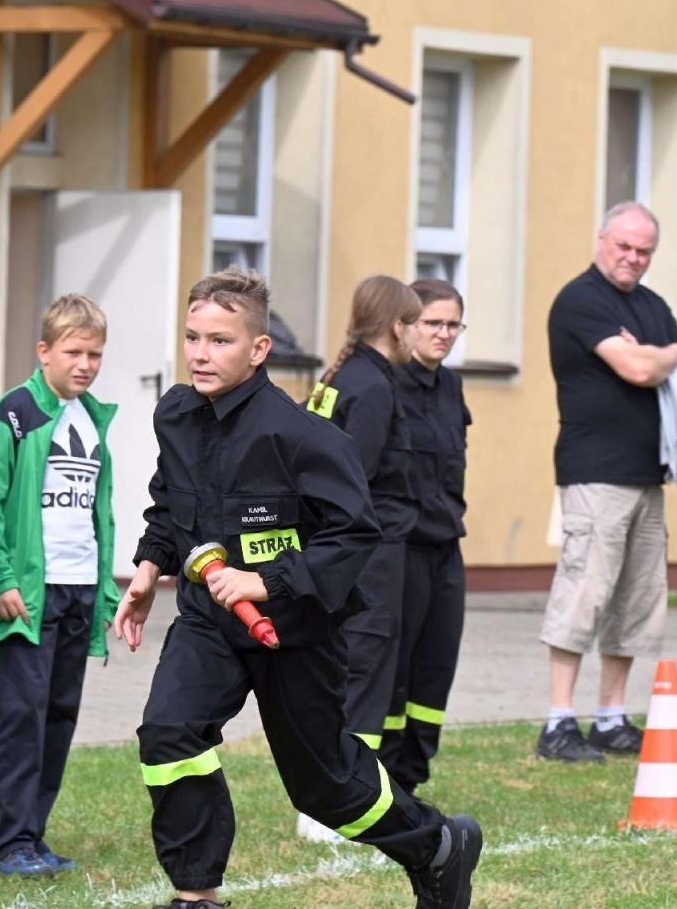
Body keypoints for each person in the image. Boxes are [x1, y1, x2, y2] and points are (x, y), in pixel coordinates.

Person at [114, 268, 482, 909]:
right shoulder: (175, 414)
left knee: (327, 790)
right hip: (208, 620)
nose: (201, 354)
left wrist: (267, 579)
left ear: (258, 351)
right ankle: (197, 892)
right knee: (168, 733)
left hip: (295, 630)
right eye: (193, 338)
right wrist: (150, 567)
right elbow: (170, 503)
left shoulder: (303, 435)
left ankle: (437, 848)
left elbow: (354, 533)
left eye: (220, 341)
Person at [539, 202, 677, 763]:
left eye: (643, 251)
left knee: (637, 599)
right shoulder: (581, 299)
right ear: (602, 239)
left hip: (647, 475)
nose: (632, 258)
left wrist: (664, 353)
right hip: (594, 473)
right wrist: (668, 355)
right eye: (624, 246)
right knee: (585, 591)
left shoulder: (651, 306)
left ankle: (611, 716)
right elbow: (637, 369)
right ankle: (559, 721)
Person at [0, 294, 120, 876]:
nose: (84, 364)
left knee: (59, 715)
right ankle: (8, 844)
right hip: (29, 594)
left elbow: (97, 513)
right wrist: (1, 578)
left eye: (95, 354)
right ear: (44, 352)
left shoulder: (93, 418)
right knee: (20, 717)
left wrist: (105, 590)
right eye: (74, 352)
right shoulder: (13, 414)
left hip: (80, 587)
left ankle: (34, 837)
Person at [305, 277, 422, 755]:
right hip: (370, 553)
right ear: (396, 327)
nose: (418, 336)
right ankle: (349, 790)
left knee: (342, 662)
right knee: (366, 662)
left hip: (336, 548)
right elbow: (359, 479)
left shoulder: (342, 376)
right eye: (414, 324)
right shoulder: (374, 387)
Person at [382, 279, 471, 793]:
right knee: (392, 672)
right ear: (404, 326)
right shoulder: (385, 384)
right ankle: (381, 777)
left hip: (444, 549)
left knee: (435, 670)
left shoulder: (452, 388)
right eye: (432, 323)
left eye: (452, 324)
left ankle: (411, 779)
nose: (443, 334)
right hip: (400, 549)